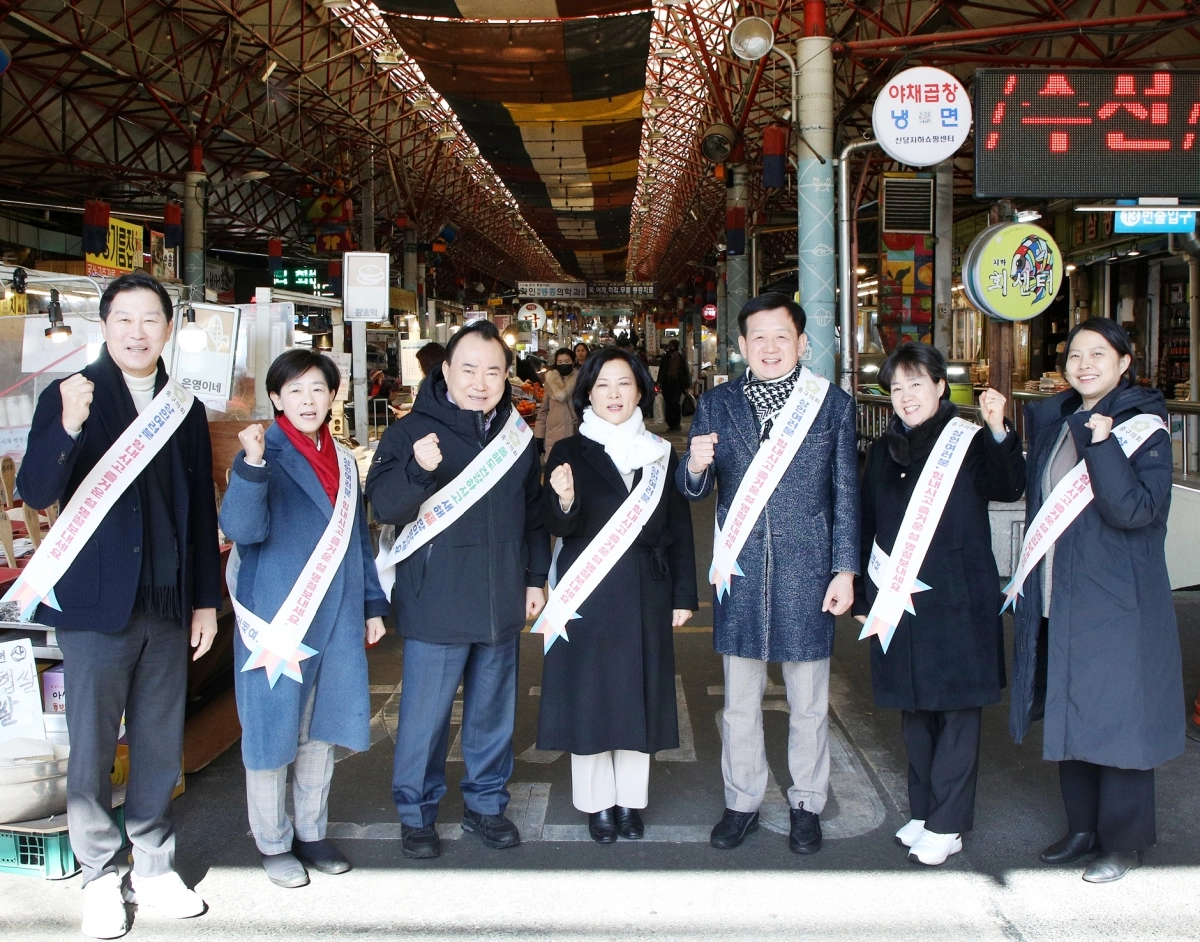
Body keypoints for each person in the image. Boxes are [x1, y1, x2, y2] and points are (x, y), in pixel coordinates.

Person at [14, 271, 221, 939]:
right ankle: (101, 875)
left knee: (160, 743)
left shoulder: (183, 406)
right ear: (104, 326)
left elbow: (199, 509)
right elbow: (36, 491)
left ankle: (154, 866)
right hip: (94, 605)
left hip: (166, 603)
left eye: (150, 320)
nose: (138, 331)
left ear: (167, 329)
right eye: (125, 319)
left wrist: (204, 603)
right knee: (94, 747)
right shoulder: (71, 394)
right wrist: (68, 426)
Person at [677, 291, 858, 855]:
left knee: (808, 701)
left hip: (809, 567)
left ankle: (807, 803)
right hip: (741, 568)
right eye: (760, 337)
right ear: (741, 346)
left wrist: (845, 568)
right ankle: (742, 801)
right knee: (739, 701)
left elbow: (846, 492)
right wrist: (694, 466)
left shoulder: (831, 404)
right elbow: (695, 489)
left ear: (802, 342)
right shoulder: (718, 403)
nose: (771, 347)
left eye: (783, 336)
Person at [365, 320, 550, 859]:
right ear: (445, 370)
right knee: (425, 715)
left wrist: (535, 578)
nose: (480, 380)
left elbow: (533, 515)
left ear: (506, 376)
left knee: (493, 712)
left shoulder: (516, 436)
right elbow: (385, 508)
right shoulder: (409, 432)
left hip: (500, 598)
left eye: (493, 371)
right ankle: (416, 813)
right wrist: (420, 470)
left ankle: (487, 806)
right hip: (436, 599)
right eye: (468, 368)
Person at [1010, 318, 1183, 884]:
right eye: (1075, 354)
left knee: (1120, 718)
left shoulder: (1143, 427)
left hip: (1117, 599)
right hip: (1061, 591)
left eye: (1098, 354)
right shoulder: (1062, 419)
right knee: (1071, 708)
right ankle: (1082, 828)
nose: (1083, 364)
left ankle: (1124, 842)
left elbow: (1135, 511)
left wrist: (1104, 443)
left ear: (1124, 362)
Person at [220, 350, 389, 889]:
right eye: (294, 391)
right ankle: (272, 841)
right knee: (272, 732)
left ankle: (311, 831)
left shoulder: (342, 457)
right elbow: (241, 530)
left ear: (333, 396)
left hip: (335, 614)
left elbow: (358, 540)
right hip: (276, 619)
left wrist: (372, 605)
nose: (308, 400)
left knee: (321, 729)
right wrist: (248, 467)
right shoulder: (259, 451)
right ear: (275, 399)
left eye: (318, 389)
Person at [853, 343, 1025, 866]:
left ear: (940, 388)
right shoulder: (884, 448)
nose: (906, 397)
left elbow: (1007, 483)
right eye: (897, 388)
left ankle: (949, 824)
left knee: (955, 711)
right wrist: (864, 592)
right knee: (914, 707)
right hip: (899, 599)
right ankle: (925, 811)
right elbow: (867, 519)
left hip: (957, 598)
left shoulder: (968, 441)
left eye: (916, 385)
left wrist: (998, 429)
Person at [538, 348, 697, 842]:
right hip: (588, 591)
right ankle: (595, 804)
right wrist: (563, 499)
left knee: (638, 693)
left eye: (624, 384)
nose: (613, 394)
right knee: (590, 696)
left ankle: (630, 802)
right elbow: (557, 523)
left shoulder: (659, 451)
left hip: (646, 589)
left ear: (640, 391)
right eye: (603, 384)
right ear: (588, 391)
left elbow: (678, 527)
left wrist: (683, 594)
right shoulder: (569, 449)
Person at [534, 349, 578, 458]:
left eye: (567, 361)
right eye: (560, 362)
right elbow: (543, 411)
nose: (564, 365)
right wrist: (539, 436)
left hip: (574, 434)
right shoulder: (550, 383)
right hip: (553, 437)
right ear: (556, 363)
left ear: (573, 362)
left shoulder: (580, 382)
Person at [658, 339, 691, 431]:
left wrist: (688, 385)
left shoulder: (681, 358)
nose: (670, 347)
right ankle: (671, 424)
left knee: (675, 403)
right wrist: (659, 382)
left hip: (677, 383)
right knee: (668, 404)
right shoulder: (665, 357)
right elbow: (661, 371)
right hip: (666, 383)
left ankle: (676, 424)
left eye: (672, 346)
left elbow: (686, 372)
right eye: (669, 346)